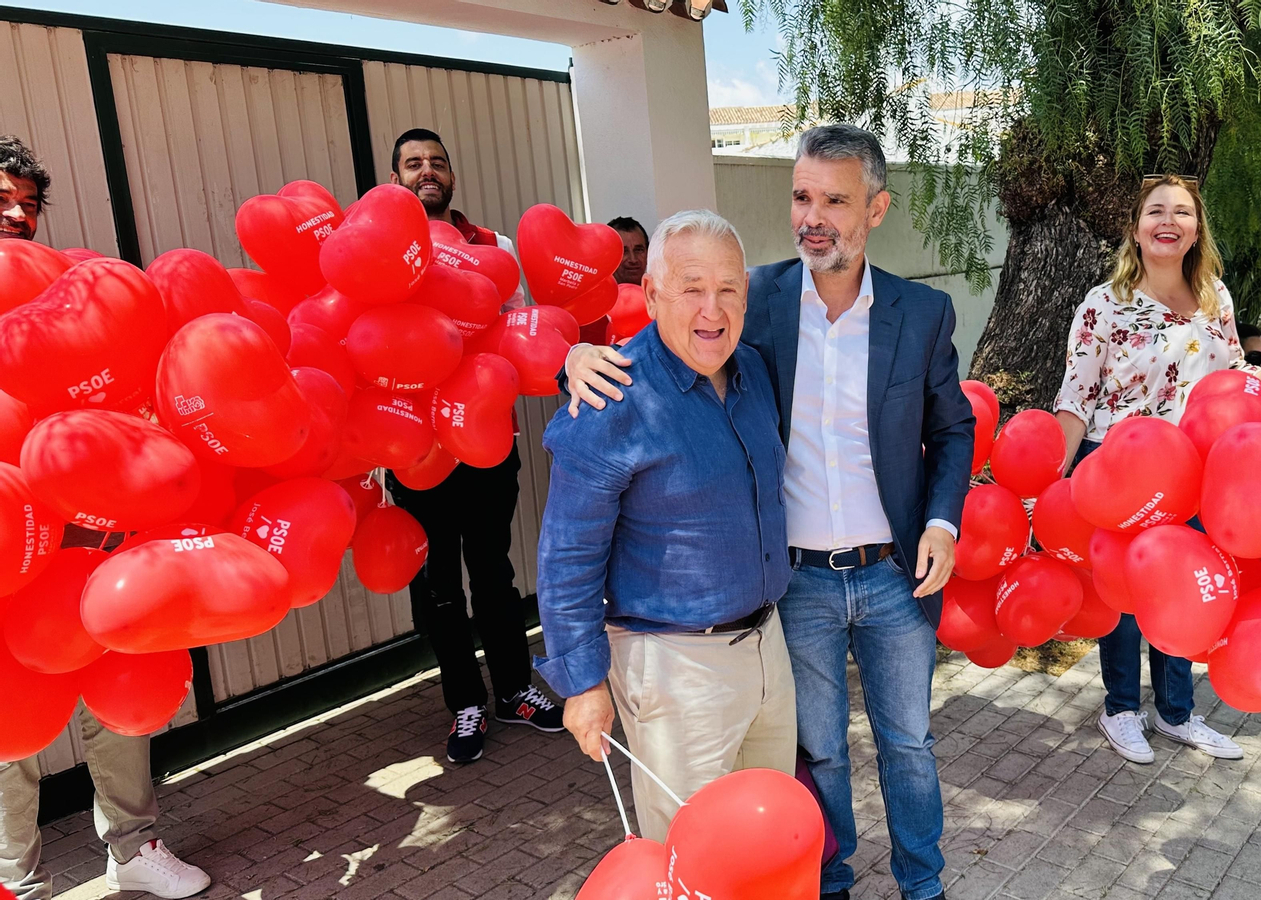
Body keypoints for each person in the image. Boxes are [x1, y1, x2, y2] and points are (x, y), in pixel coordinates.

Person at [565, 124, 974, 900]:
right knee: (817, 754)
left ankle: (925, 884)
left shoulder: (922, 314)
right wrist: (574, 359)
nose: (811, 216)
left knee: (910, 745)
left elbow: (952, 428)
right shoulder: (756, 296)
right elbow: (664, 340)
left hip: (895, 577)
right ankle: (832, 880)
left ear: (876, 209)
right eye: (800, 196)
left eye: (834, 200)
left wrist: (943, 522)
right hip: (799, 585)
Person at [536, 210, 795, 842]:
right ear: (651, 294)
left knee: (764, 841)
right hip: (676, 667)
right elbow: (567, 554)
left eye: (729, 288)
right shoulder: (611, 395)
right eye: (691, 287)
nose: (713, 308)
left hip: (767, 644)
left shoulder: (754, 372)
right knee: (693, 856)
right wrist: (583, 683)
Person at [0, 135, 210, 900]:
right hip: (4, 558)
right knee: (9, 730)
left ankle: (133, 847)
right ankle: (13, 882)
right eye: (1, 198)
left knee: (120, 695)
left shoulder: (72, 286)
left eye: (27, 202)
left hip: (90, 545)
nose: (16, 214)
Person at [1054, 174, 1253, 767]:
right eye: (1156, 212)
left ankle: (1176, 712)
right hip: (1118, 469)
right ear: (1137, 228)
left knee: (1181, 589)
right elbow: (1075, 397)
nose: (1168, 221)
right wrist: (1054, 482)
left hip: (1194, 472)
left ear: (1196, 229)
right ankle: (1119, 708)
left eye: (1182, 213)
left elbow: (1234, 380)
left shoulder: (1217, 298)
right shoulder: (1103, 303)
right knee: (1121, 592)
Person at [386, 127, 563, 764]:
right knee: (438, 584)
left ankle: (514, 690)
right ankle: (465, 702)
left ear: (452, 176)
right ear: (397, 177)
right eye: (414, 164)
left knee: (492, 572)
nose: (427, 171)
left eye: (437, 162)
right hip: (415, 448)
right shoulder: (382, 246)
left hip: (487, 437)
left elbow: (517, 335)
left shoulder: (496, 247)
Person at [608, 215, 648, 286]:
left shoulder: (661, 295)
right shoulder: (594, 296)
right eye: (624, 251)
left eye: (638, 250)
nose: (633, 260)